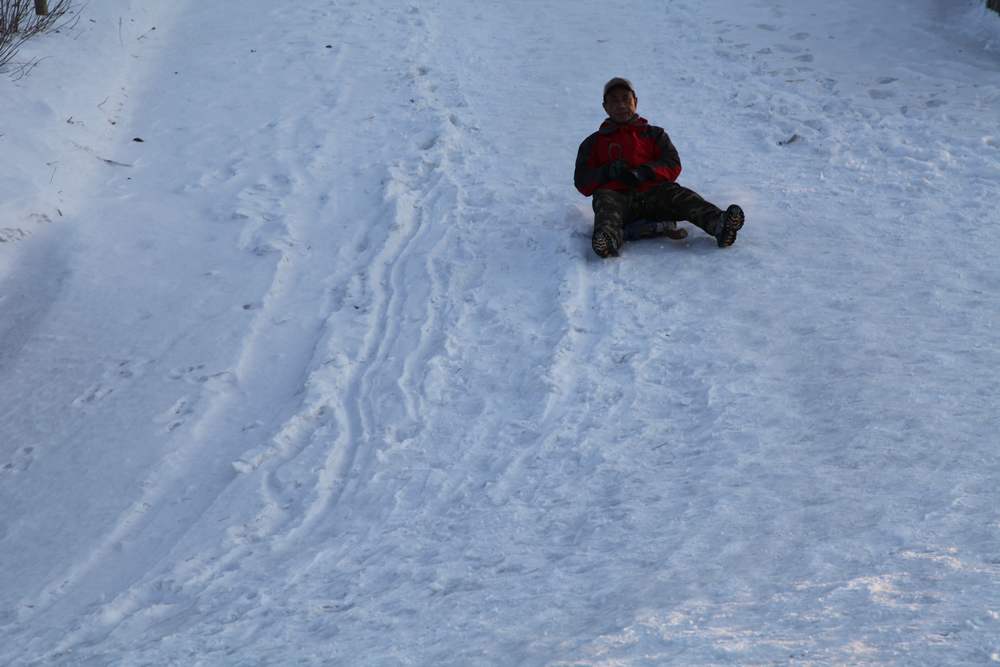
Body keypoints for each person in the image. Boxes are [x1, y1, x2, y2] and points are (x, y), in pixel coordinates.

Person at [574, 77, 745, 258]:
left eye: (625, 98)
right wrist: (607, 172)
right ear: (605, 107)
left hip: (654, 196)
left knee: (679, 195)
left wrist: (645, 172)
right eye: (614, 100)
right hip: (620, 201)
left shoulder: (654, 134)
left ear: (635, 102)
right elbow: (582, 181)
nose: (621, 104)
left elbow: (672, 164)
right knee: (605, 201)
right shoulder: (593, 143)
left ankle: (719, 224)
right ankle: (607, 240)